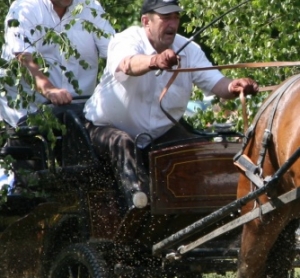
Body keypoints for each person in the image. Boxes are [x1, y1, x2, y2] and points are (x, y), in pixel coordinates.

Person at [84, 0, 259, 209]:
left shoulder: (190, 50)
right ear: (146, 21)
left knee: (195, 151)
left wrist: (233, 86)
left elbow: (217, 83)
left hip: (160, 134)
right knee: (123, 143)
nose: (173, 23)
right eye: (165, 17)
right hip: (104, 129)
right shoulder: (126, 40)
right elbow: (127, 64)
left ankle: (204, 213)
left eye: (176, 17)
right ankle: (139, 209)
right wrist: (155, 61)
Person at [0, 0, 115, 192]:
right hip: (30, 113)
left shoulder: (90, 6)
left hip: (78, 113)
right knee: (32, 189)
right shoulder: (24, 7)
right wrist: (48, 88)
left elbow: (114, 51)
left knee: (91, 177)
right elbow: (22, 55)